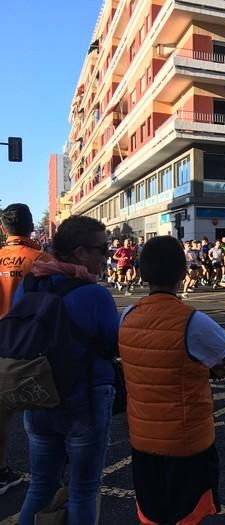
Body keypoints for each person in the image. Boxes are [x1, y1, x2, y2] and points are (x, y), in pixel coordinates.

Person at [119, 235, 225, 525]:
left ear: (142, 274)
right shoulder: (192, 320)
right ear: (184, 273)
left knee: (152, 514)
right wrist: (213, 363)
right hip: (185, 443)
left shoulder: (127, 316)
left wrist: (203, 367)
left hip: (143, 440)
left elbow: (155, 361)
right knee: (185, 515)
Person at [16, 216, 119, 525]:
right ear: (80, 252)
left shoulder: (30, 284)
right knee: (84, 490)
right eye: (102, 249)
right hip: (82, 399)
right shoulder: (94, 294)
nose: (106, 256)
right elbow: (114, 345)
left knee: (40, 485)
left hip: (37, 393)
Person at [0, 204, 51, 495]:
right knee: (38, 413)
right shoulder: (42, 259)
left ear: (3, 229)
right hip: (30, 345)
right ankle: (46, 474)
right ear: (32, 228)